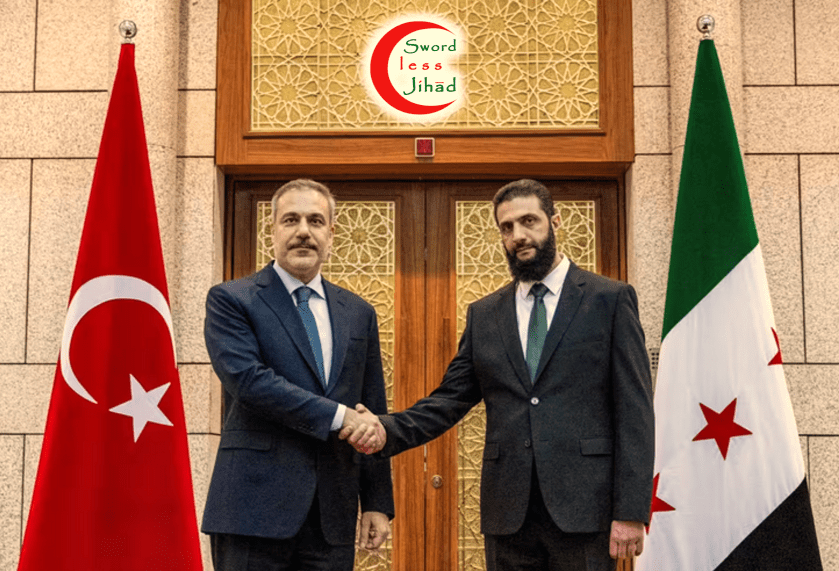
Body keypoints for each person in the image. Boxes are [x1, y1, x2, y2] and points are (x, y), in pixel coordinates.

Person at [344, 179, 654, 570]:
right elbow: (448, 400)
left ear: (555, 221)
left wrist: (630, 510)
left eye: (529, 221)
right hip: (509, 514)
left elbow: (635, 411)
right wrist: (386, 430)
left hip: (585, 511)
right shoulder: (485, 314)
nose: (518, 235)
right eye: (507, 227)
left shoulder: (609, 299)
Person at [202, 178, 393, 571]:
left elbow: (370, 408)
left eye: (315, 221)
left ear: (331, 234)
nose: (303, 231)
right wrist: (340, 417)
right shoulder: (232, 299)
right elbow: (249, 382)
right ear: (272, 230)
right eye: (291, 220)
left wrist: (376, 501)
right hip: (252, 511)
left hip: (332, 516)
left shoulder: (359, 312)